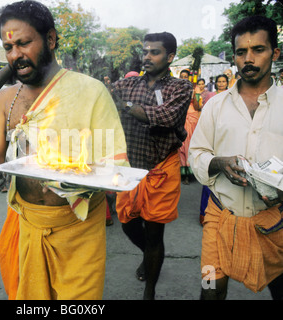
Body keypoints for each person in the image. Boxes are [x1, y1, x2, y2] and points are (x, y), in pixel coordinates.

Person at [0, 0, 129, 300]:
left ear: (50, 39)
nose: (15, 55)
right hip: (26, 225)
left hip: (78, 231)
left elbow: (115, 166)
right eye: (8, 48)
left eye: (23, 43)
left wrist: (77, 177)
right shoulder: (5, 100)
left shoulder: (90, 91)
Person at [189, 15, 283, 300]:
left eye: (258, 49)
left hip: (275, 223)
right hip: (219, 218)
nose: (249, 59)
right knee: (209, 290)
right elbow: (197, 154)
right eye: (242, 52)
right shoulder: (215, 105)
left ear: (275, 53)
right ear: (234, 57)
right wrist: (219, 163)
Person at [111, 32, 193, 299]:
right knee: (127, 224)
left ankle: (150, 291)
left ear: (170, 57)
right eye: (145, 51)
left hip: (161, 167)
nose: (147, 56)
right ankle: (150, 255)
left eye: (154, 52)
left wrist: (126, 106)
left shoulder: (180, 88)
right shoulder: (128, 84)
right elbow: (105, 97)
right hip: (130, 168)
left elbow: (164, 116)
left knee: (155, 231)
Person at [197, 74, 229, 226]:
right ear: (215, 83)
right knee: (209, 177)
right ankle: (204, 213)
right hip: (212, 138)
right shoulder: (211, 97)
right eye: (219, 81)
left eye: (224, 81)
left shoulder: (232, 96)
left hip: (227, 138)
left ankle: (224, 216)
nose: (221, 84)